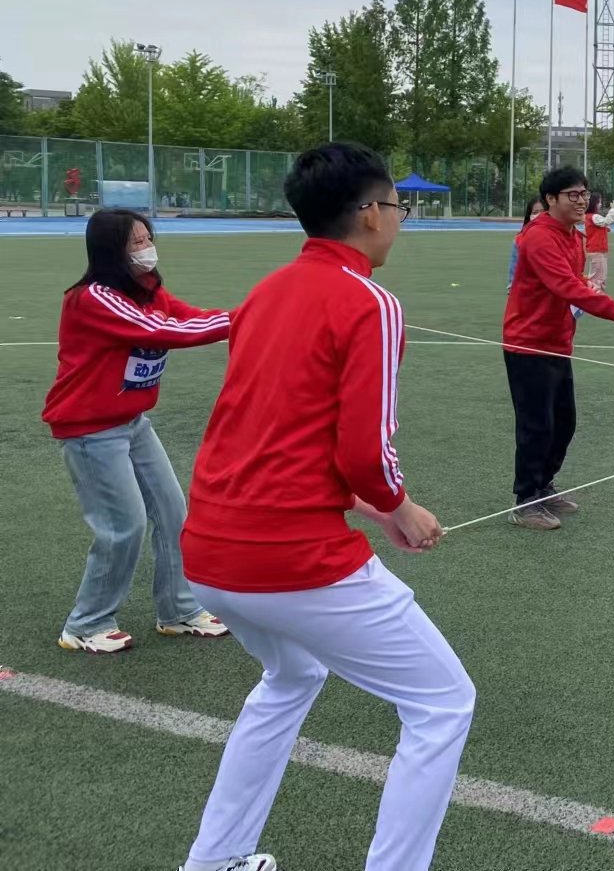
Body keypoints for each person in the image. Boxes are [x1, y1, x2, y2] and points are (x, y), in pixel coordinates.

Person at [178, 142, 475, 871]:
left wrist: (376, 509)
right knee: (442, 701)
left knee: (292, 676)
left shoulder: (265, 291)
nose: (400, 219)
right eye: (398, 206)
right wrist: (397, 504)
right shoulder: (370, 301)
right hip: (291, 557)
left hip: (209, 550)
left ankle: (215, 860)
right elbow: (364, 451)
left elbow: (280, 433)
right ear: (370, 212)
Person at [42, 209, 232, 655]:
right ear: (112, 250)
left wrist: (246, 317)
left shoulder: (149, 290)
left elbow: (187, 316)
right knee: (122, 526)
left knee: (172, 512)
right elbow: (163, 330)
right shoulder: (93, 298)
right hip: (91, 430)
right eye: (136, 242)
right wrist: (249, 318)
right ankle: (86, 623)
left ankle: (179, 610)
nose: (147, 248)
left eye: (148, 238)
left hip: (132, 423)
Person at [504, 166, 614, 531]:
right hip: (528, 345)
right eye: (573, 195)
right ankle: (525, 502)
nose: (583, 201)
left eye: (585, 194)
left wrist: (586, 286)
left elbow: (571, 282)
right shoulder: (539, 237)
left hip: (557, 343)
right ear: (551, 199)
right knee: (537, 425)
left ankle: (543, 487)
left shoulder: (573, 236)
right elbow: (564, 286)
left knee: (564, 422)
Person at [507, 195, 546, 291]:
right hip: (527, 292)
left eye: (543, 212)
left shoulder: (560, 237)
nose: (539, 215)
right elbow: (514, 271)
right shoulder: (520, 239)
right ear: (529, 215)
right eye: (535, 212)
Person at [585, 192, 614, 293]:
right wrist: (612, 209)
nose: (600, 205)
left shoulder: (590, 217)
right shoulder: (594, 217)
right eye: (599, 202)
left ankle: (596, 296)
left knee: (598, 277)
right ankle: (594, 297)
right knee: (598, 279)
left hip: (596, 251)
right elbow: (607, 220)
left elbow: (602, 225)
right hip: (597, 251)